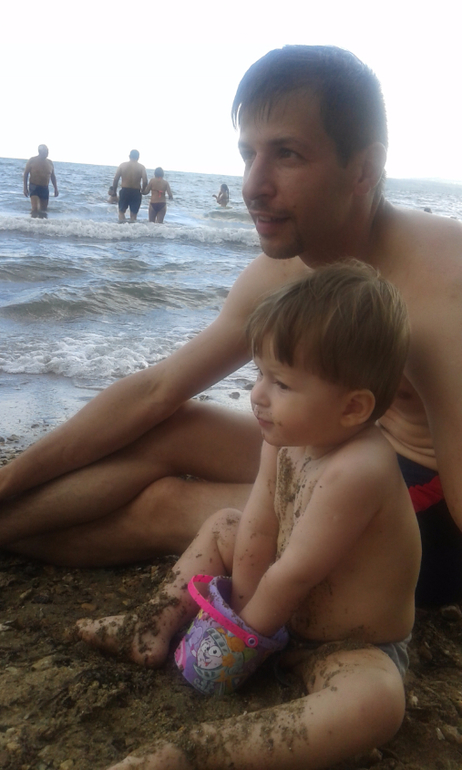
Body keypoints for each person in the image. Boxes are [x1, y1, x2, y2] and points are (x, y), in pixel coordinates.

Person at [1, 45, 462, 608]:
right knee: (173, 426)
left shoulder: (445, 285)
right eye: (248, 155)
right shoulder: (287, 267)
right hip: (334, 444)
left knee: (166, 503)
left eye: (287, 154)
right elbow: (158, 389)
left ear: (363, 169)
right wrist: (9, 480)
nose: (252, 185)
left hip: (411, 517)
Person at [77, 263, 421, 770]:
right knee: (225, 523)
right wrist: (237, 614)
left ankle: (199, 751)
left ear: (352, 408)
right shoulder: (284, 438)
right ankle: (147, 626)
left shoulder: (360, 470)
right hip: (275, 618)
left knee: (379, 702)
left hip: (345, 645)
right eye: (259, 373)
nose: (257, 394)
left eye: (281, 383)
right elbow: (261, 525)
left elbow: (296, 573)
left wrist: (238, 644)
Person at [23, 145, 59, 218]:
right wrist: (25, 188)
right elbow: (26, 174)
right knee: (35, 209)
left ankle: (41, 224)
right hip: (34, 187)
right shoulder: (32, 160)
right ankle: (31, 222)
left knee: (43, 210)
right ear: (40, 152)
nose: (47, 153)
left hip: (45, 188)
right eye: (45, 151)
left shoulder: (50, 163)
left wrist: (56, 189)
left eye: (47, 151)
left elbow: (53, 176)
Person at [112, 150, 148, 222]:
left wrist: (114, 191)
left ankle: (122, 227)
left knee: (121, 212)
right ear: (138, 157)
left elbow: (116, 179)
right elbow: (145, 181)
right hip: (136, 191)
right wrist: (143, 190)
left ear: (129, 156)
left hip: (125, 190)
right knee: (133, 215)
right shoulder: (141, 167)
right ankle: (132, 228)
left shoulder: (122, 165)